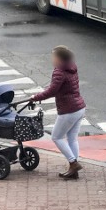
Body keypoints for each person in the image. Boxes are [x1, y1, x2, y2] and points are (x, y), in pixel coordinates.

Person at [29, 46, 86, 180]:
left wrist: (34, 97)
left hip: (69, 110)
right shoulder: (71, 67)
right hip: (79, 108)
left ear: (59, 58)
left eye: (54, 57)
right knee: (72, 138)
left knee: (56, 137)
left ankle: (73, 163)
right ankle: (74, 169)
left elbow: (52, 91)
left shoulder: (59, 71)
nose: (52, 59)